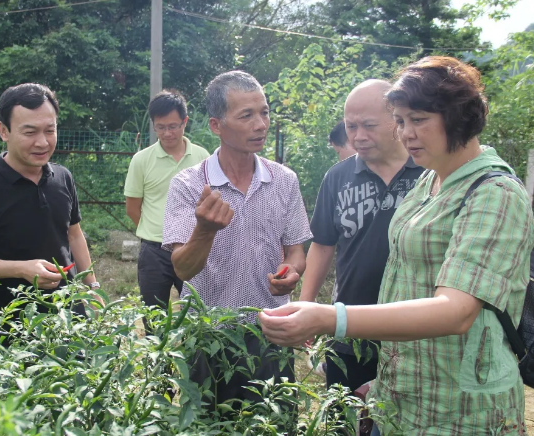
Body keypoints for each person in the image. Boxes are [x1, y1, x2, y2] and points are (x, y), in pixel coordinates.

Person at [260, 56, 534, 435]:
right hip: (405, 395)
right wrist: (388, 381)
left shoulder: (494, 193)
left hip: (459, 406)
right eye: (402, 121)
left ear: (460, 116)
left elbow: (456, 312)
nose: (407, 133)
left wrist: (330, 317)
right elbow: (403, 280)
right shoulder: (431, 183)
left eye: (418, 120)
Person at [162, 70, 312, 412]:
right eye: (246, 115)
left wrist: (292, 272)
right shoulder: (189, 185)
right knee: (211, 422)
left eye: (264, 112)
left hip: (271, 331)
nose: (260, 124)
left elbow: (295, 250)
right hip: (210, 335)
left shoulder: (283, 180)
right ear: (217, 125)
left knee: (273, 423)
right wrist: (205, 229)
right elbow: (183, 269)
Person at [0, 83, 100, 341]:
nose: (42, 142)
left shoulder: (63, 177)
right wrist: (20, 269)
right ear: (3, 131)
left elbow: (74, 235)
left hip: (70, 315)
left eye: (50, 130)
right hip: (12, 323)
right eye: (29, 132)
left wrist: (91, 285)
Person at [299, 80, 424, 394]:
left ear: (397, 119)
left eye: (368, 126)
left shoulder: (428, 173)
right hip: (348, 329)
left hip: (417, 330)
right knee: (346, 418)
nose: (357, 137)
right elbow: (323, 244)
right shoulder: (338, 177)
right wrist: (305, 304)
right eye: (350, 126)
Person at [124, 90, 209, 330]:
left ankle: (194, 365)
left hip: (193, 247)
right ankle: (159, 366)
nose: (167, 134)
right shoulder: (141, 160)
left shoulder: (203, 157)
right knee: (153, 318)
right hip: (154, 250)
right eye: (160, 128)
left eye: (173, 126)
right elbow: (133, 207)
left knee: (198, 315)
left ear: (185, 121)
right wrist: (159, 232)